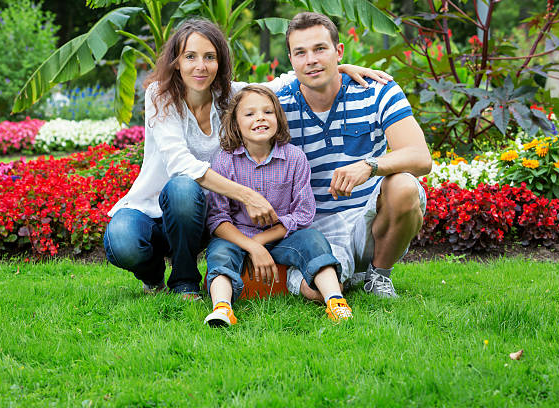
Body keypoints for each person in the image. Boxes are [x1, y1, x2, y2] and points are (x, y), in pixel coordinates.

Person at [103, 18, 392, 299]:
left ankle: (185, 282)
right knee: (127, 239)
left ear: (220, 62)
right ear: (176, 61)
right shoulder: (160, 95)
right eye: (190, 56)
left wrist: (335, 68)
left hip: (204, 215)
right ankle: (153, 277)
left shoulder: (229, 95)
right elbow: (181, 164)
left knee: (186, 193)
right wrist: (248, 196)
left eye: (209, 57)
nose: (200, 66)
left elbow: (278, 85)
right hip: (155, 205)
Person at [276, 12, 432, 299]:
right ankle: (344, 274)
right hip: (318, 229)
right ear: (291, 59)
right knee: (315, 292)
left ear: (339, 51)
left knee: (404, 187)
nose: (311, 59)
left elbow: (421, 157)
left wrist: (369, 166)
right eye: (301, 52)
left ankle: (378, 276)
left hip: (369, 218)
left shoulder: (376, 91)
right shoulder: (277, 108)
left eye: (320, 49)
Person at [204, 85, 352, 326]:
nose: (260, 118)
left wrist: (260, 243)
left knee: (313, 239)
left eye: (267, 112)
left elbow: (303, 214)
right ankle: (222, 308)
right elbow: (217, 219)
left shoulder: (295, 158)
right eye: (249, 114)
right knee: (220, 251)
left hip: (285, 239)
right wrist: (250, 246)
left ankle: (335, 301)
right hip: (239, 238)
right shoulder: (225, 161)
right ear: (235, 123)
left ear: (278, 118)